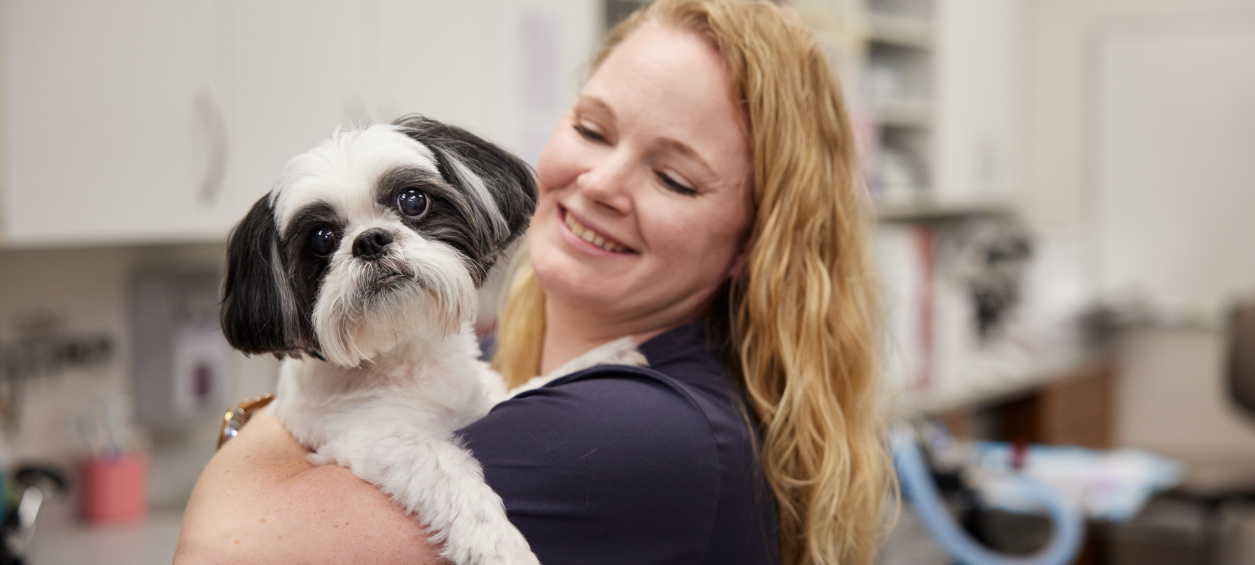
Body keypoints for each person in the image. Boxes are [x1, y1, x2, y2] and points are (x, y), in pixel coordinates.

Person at [175, 0, 892, 564]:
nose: (601, 183)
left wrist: (268, 418)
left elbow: (219, 551)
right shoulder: (502, 370)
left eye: (673, 177)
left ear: (752, 243)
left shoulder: (635, 433)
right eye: (592, 129)